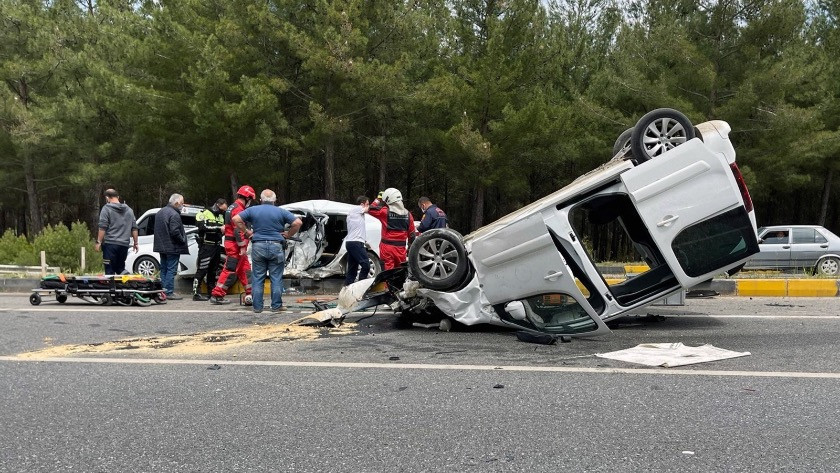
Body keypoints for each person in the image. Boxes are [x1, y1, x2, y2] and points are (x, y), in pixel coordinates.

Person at [232, 189, 301, 313]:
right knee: (276, 278)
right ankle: (276, 306)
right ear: (274, 201)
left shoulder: (253, 210)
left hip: (258, 245)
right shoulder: (281, 211)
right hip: (276, 246)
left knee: (258, 277)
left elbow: (236, 219)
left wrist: (247, 232)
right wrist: (288, 234)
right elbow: (297, 222)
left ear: (261, 200)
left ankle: (257, 307)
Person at [210, 185, 256, 305]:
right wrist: (241, 246)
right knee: (230, 270)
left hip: (234, 244)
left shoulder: (232, 207)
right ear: (247, 198)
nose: (250, 202)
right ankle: (217, 295)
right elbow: (238, 230)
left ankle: (251, 293)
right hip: (235, 246)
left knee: (245, 270)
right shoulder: (238, 209)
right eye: (250, 199)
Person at [368, 188, 416, 270]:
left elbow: (371, 209)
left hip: (387, 248)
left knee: (387, 273)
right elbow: (412, 235)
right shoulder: (408, 215)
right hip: (401, 249)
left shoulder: (385, 212)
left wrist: (378, 199)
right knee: (399, 272)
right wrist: (410, 249)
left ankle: (387, 283)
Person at [153, 193, 189, 300]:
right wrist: (182, 240)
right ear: (177, 203)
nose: (183, 205)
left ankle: (162, 291)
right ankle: (168, 292)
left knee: (163, 269)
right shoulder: (174, 214)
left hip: (161, 245)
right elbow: (175, 232)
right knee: (171, 270)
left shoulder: (160, 212)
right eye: (182, 203)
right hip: (172, 247)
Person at [95, 188, 139, 275]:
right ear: (118, 197)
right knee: (120, 268)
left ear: (107, 198)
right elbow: (134, 228)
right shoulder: (129, 210)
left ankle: (112, 287)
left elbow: (102, 227)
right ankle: (126, 283)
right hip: (124, 245)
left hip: (111, 244)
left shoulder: (106, 209)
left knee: (110, 270)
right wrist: (135, 243)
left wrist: (98, 242)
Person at [192, 198, 228, 301]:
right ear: (217, 205)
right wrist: (218, 229)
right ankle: (196, 293)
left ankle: (211, 293)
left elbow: (224, 229)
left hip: (217, 246)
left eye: (224, 210)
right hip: (206, 246)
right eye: (222, 209)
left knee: (213, 271)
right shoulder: (203, 213)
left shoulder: (222, 216)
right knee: (202, 270)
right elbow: (202, 227)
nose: (222, 212)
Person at [344, 195, 370, 286]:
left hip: (353, 243)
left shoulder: (357, 214)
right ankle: (361, 287)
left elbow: (358, 229)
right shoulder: (357, 209)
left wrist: (365, 242)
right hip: (355, 243)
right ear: (362, 204)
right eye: (367, 204)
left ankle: (347, 289)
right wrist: (378, 200)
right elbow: (368, 209)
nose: (368, 206)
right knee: (366, 265)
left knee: (352, 270)